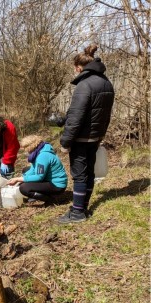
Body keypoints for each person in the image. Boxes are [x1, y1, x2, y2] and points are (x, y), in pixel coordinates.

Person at [58, 44, 114, 223]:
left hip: (81, 138)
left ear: (78, 67)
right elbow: (103, 113)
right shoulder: (106, 82)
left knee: (80, 175)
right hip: (95, 136)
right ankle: (81, 207)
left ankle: (77, 214)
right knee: (89, 173)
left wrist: (66, 142)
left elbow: (76, 118)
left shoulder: (84, 85)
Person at [7, 135, 67, 204]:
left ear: (30, 147)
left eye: (25, 148)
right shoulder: (40, 150)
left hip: (57, 185)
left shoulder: (42, 156)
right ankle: (39, 193)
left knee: (24, 188)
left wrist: (18, 179)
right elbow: (33, 169)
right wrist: (22, 177)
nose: (24, 151)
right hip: (49, 179)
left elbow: (39, 177)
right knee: (25, 170)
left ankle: (50, 200)